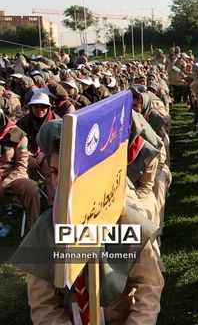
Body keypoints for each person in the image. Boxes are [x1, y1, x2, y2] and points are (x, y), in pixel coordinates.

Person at [12, 119, 164, 324]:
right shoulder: (46, 231)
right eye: (56, 172)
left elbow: (149, 285)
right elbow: (43, 304)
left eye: (72, 173)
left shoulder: (125, 222)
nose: (60, 182)